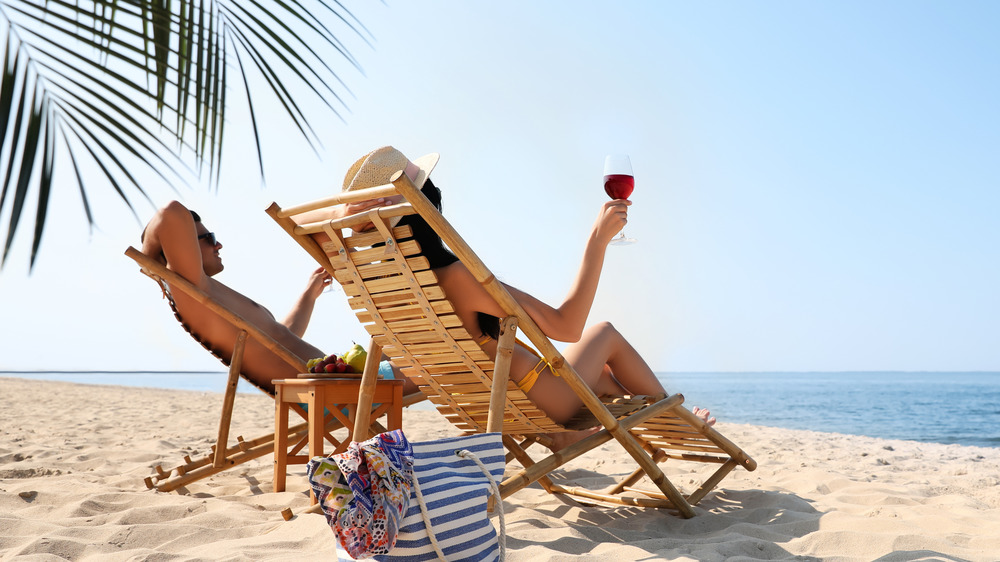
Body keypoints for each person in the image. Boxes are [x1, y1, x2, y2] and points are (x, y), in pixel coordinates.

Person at [334, 146, 715, 450]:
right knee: (603, 333)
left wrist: (361, 211)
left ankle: (648, 427)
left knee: (606, 379)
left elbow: (324, 231)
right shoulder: (454, 276)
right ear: (426, 206)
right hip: (539, 402)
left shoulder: (383, 283)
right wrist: (596, 241)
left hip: (482, 405)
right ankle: (684, 425)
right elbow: (567, 326)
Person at [140, 200, 417, 395]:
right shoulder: (194, 291)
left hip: (337, 386)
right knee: (445, 364)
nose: (219, 244)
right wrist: (150, 262)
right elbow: (170, 212)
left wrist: (309, 295)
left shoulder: (208, 297)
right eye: (209, 237)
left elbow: (280, 340)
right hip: (341, 393)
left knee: (438, 354)